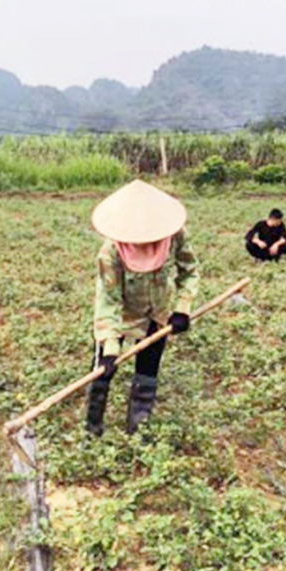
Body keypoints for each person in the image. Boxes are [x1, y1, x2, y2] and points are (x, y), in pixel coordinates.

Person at [86, 179, 201, 436]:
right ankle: (92, 429)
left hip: (157, 314)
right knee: (102, 372)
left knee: (148, 370)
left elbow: (190, 271)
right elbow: (108, 301)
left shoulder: (175, 236)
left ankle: (138, 428)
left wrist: (182, 308)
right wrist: (111, 348)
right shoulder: (110, 253)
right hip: (121, 315)